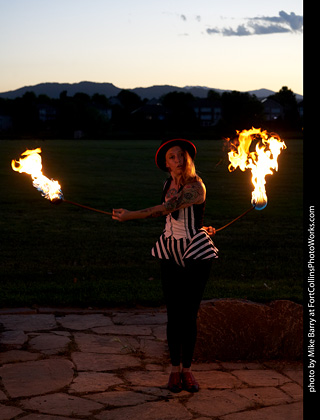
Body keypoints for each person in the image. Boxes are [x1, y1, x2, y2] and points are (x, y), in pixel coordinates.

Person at [112, 138, 218, 393]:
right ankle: (174, 371)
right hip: (169, 249)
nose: (178, 160)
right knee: (174, 313)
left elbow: (166, 209)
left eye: (181, 155)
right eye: (172, 156)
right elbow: (172, 217)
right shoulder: (167, 183)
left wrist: (130, 215)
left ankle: (188, 371)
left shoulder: (197, 186)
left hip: (195, 250)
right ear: (166, 164)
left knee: (189, 314)